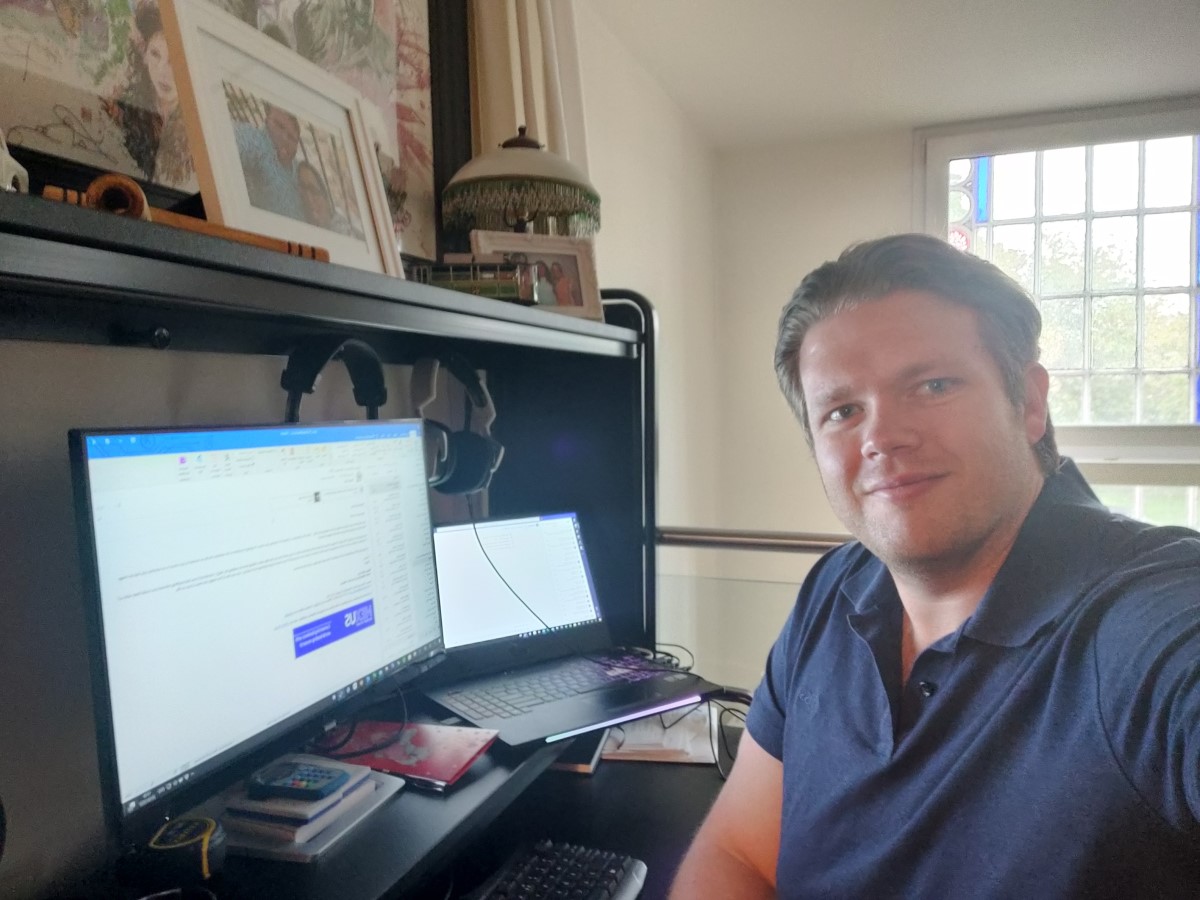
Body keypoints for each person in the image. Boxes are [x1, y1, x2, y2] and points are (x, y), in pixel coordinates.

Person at [670, 233, 1200, 898]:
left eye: (933, 384)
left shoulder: (1140, 621)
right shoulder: (834, 590)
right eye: (842, 411)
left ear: (1030, 403)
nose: (882, 436)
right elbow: (741, 852)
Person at [103, 2, 192, 187]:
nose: (162, 72)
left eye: (174, 60)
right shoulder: (123, 108)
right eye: (155, 54)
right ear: (144, 55)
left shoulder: (199, 129)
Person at [234, 102, 304, 220]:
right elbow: (239, 141)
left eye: (292, 137)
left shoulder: (299, 170)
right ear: (266, 121)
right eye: (279, 126)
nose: (284, 138)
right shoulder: (259, 142)